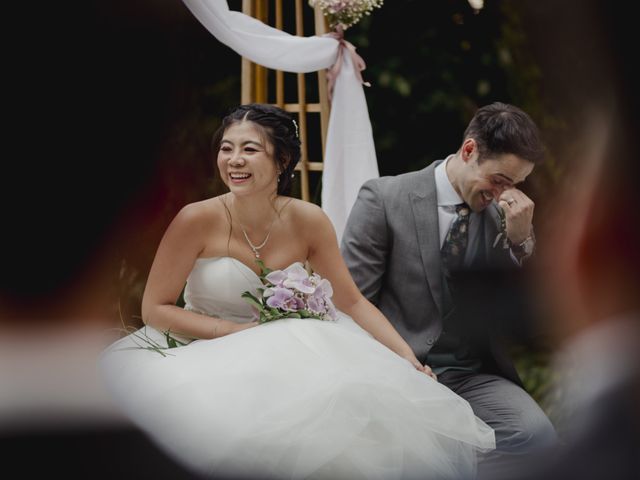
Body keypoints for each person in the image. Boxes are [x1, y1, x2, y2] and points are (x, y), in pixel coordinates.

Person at [100, 103, 495, 480]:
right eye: (226, 148)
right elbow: (155, 308)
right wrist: (236, 336)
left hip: (286, 355)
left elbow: (352, 301)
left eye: (249, 149)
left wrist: (408, 360)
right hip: (194, 350)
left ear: (282, 161)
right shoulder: (195, 219)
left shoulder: (308, 220)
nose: (234, 160)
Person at [341, 102, 557, 478]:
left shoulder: (508, 220)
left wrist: (520, 244)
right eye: (500, 179)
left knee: (535, 436)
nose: (505, 194)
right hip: (394, 367)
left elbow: (525, 318)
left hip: (470, 373)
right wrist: (403, 360)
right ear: (469, 150)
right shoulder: (384, 199)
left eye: (516, 185)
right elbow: (351, 300)